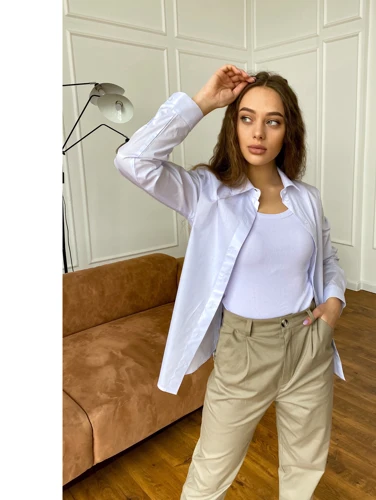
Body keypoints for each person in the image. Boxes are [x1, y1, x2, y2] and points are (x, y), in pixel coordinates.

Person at [114, 64, 347, 500]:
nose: (258, 132)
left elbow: (328, 258)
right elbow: (133, 160)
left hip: (308, 340)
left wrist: (333, 302)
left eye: (272, 121)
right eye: (246, 118)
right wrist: (203, 101)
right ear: (233, 125)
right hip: (245, 350)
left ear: (288, 132)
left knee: (305, 465)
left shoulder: (307, 198)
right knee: (210, 474)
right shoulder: (208, 193)